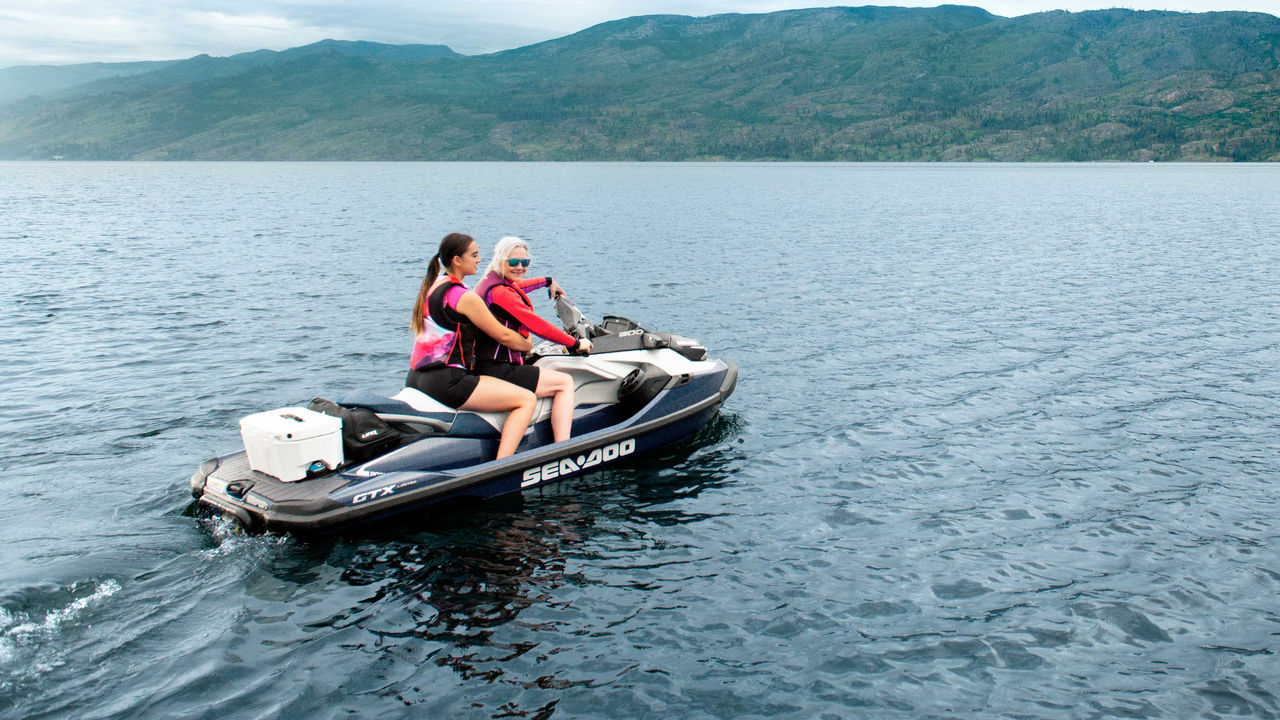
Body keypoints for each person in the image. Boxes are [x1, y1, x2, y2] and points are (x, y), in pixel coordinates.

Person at [408, 232, 536, 459]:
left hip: (417, 377)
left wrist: (545, 281)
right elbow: (504, 335)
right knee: (526, 400)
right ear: (457, 260)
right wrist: (526, 345)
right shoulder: (464, 296)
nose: (479, 260)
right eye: (474, 255)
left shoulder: (434, 286)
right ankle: (502, 466)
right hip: (449, 381)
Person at [473, 236, 592, 444]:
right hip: (500, 369)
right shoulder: (500, 293)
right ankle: (563, 447)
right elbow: (537, 325)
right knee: (564, 383)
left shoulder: (489, 282)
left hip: (486, 364)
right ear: (501, 260)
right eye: (513, 262)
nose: (520, 267)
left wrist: (547, 281)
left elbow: (518, 287)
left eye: (525, 263)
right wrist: (575, 343)